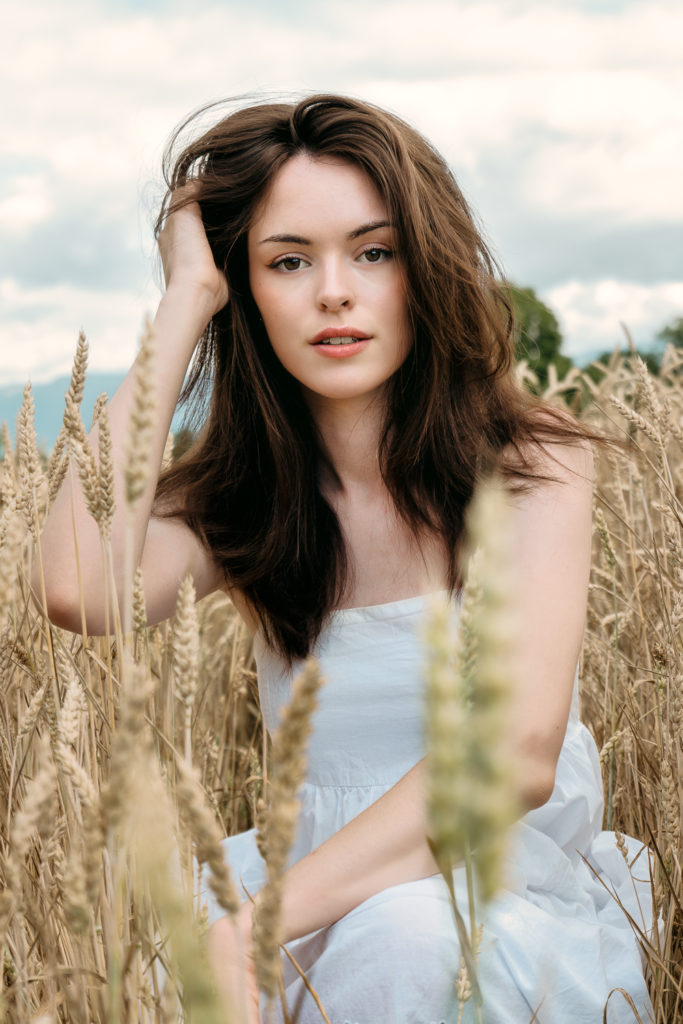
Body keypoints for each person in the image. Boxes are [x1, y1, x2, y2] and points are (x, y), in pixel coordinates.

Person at [37, 95, 654, 1023]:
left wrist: (253, 926)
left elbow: (515, 754)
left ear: (426, 266)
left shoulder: (528, 467)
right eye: (287, 261)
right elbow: (78, 589)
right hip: (293, 876)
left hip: (476, 879)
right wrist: (181, 308)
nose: (334, 290)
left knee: (404, 940)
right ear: (246, 292)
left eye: (373, 252)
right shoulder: (245, 503)